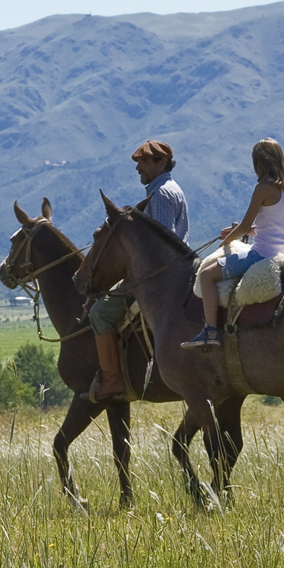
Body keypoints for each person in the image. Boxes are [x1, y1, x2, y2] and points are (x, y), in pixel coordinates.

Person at [86, 140, 189, 396]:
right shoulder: (166, 189)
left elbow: (161, 246)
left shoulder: (162, 193)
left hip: (159, 279)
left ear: (161, 162)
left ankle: (112, 380)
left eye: (143, 162)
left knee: (99, 312)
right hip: (169, 274)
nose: (138, 169)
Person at [182, 138, 284, 350]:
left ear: (259, 162)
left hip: (260, 254)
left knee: (206, 275)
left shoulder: (262, 188)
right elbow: (267, 226)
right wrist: (241, 231)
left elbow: (244, 226)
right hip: (282, 250)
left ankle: (211, 330)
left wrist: (228, 238)